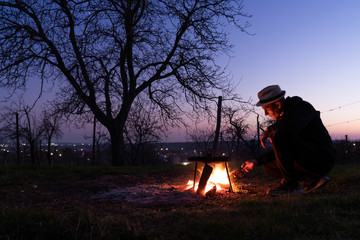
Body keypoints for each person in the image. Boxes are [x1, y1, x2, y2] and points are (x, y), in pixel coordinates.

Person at [241, 85, 336, 196]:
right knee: (268, 167)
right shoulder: (283, 121)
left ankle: (291, 185)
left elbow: (289, 129)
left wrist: (271, 130)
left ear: (277, 104)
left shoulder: (302, 108)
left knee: (280, 136)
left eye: (266, 109)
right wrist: (255, 161)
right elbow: (282, 151)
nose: (266, 114)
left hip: (322, 157)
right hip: (306, 156)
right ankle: (312, 179)